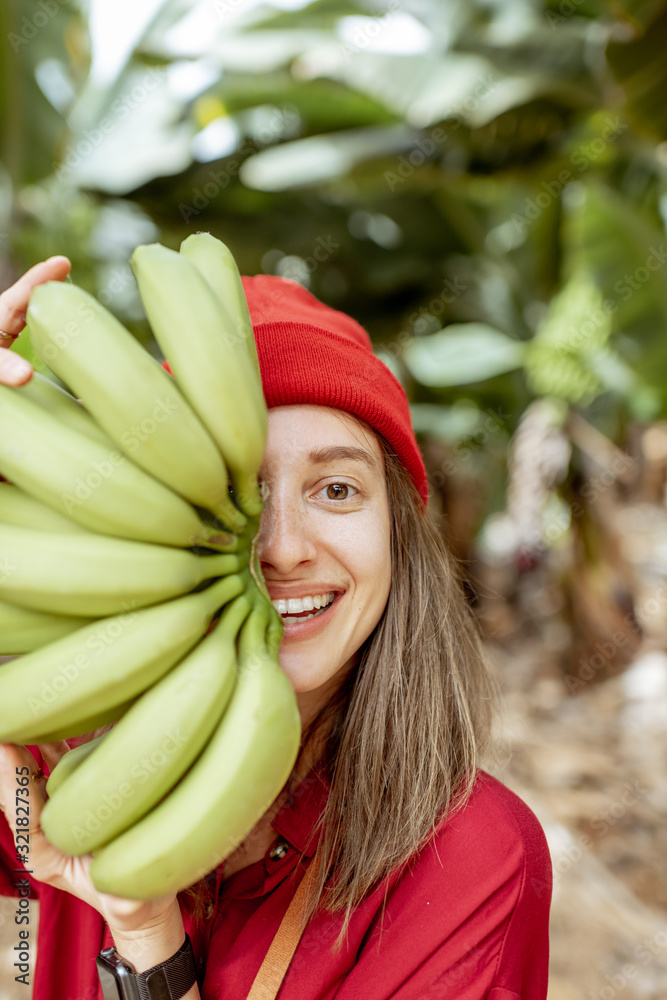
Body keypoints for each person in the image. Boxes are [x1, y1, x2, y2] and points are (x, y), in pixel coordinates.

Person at [0, 255, 552, 1000]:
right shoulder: (47, 762)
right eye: (242, 492)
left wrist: (145, 941)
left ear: (398, 536)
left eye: (335, 488)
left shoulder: (474, 862)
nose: (284, 547)